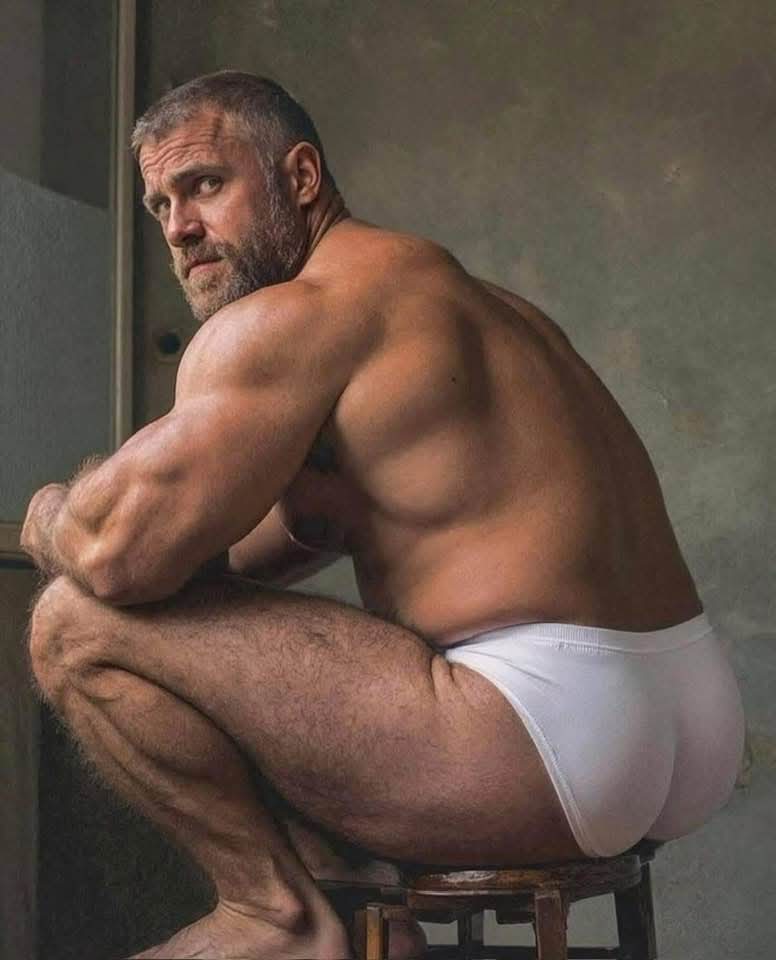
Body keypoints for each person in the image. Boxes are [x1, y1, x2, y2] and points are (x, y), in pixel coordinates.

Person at [21, 71, 744, 960]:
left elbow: (114, 554)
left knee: (73, 623)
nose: (178, 227)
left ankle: (273, 913)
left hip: (544, 731)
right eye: (159, 205)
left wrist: (49, 512)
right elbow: (248, 555)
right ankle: (366, 911)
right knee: (185, 630)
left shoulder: (298, 318)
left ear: (300, 177)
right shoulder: (475, 304)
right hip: (690, 716)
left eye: (205, 183)